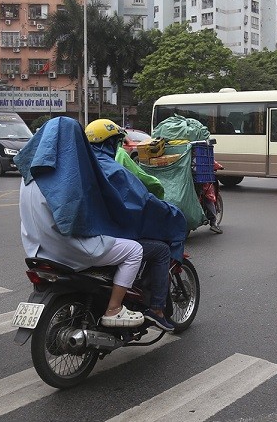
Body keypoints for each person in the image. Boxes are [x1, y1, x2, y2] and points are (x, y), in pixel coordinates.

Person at [16, 117, 187, 332]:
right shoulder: (71, 175)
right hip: (69, 248)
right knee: (137, 250)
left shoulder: (28, 176)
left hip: (38, 248)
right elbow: (79, 215)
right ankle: (115, 309)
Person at [83, 118, 186, 330]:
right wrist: (173, 215)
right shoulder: (114, 170)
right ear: (110, 143)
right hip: (105, 238)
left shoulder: (78, 167)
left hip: (77, 238)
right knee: (161, 250)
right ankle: (156, 310)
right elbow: (143, 201)